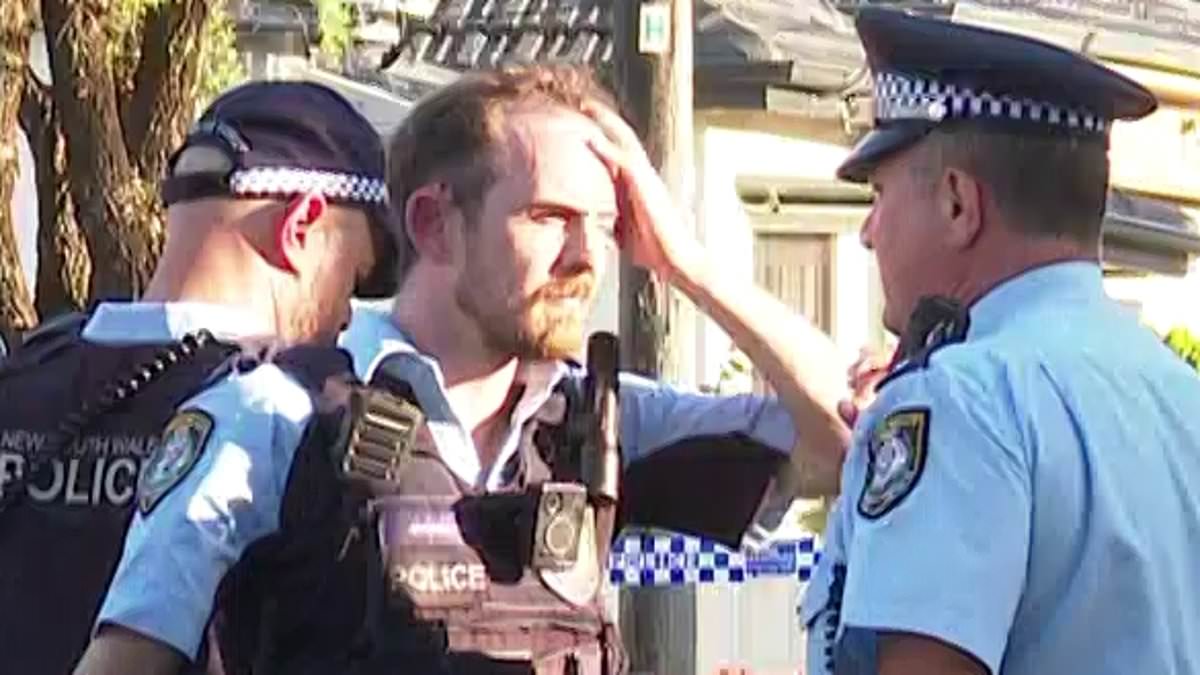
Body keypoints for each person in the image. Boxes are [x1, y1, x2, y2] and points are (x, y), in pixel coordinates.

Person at [75, 65, 853, 675]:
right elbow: (126, 659)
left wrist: (687, 263)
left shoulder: (599, 425)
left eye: (608, 226)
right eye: (549, 218)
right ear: (432, 224)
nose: (587, 257)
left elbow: (844, 439)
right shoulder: (273, 415)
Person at [800, 7, 1200, 675]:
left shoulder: (960, 401)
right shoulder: (1179, 396)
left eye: (878, 193)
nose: (869, 232)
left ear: (958, 203)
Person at [1, 80, 395, 675]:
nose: (345, 316)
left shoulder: (22, 374)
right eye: (352, 278)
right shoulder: (278, 412)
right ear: (301, 226)